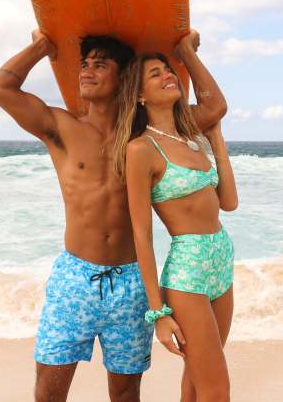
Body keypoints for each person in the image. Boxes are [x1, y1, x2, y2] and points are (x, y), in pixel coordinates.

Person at [0, 27, 225, 401]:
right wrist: (43, 46)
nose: (87, 71)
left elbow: (213, 110)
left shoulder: (146, 139)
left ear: (124, 78)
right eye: (84, 64)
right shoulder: (60, 126)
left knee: (126, 393)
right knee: (49, 391)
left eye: (100, 65)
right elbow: (0, 87)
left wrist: (187, 54)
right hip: (75, 278)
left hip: (131, 282)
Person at [114, 32, 238, 401]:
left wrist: (216, 139)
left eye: (169, 70)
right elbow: (142, 235)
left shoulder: (191, 138)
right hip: (188, 273)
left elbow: (229, 202)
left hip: (222, 260)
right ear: (139, 95)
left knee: (196, 384)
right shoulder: (141, 149)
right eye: (155, 74)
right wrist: (158, 314)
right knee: (217, 391)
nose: (168, 75)